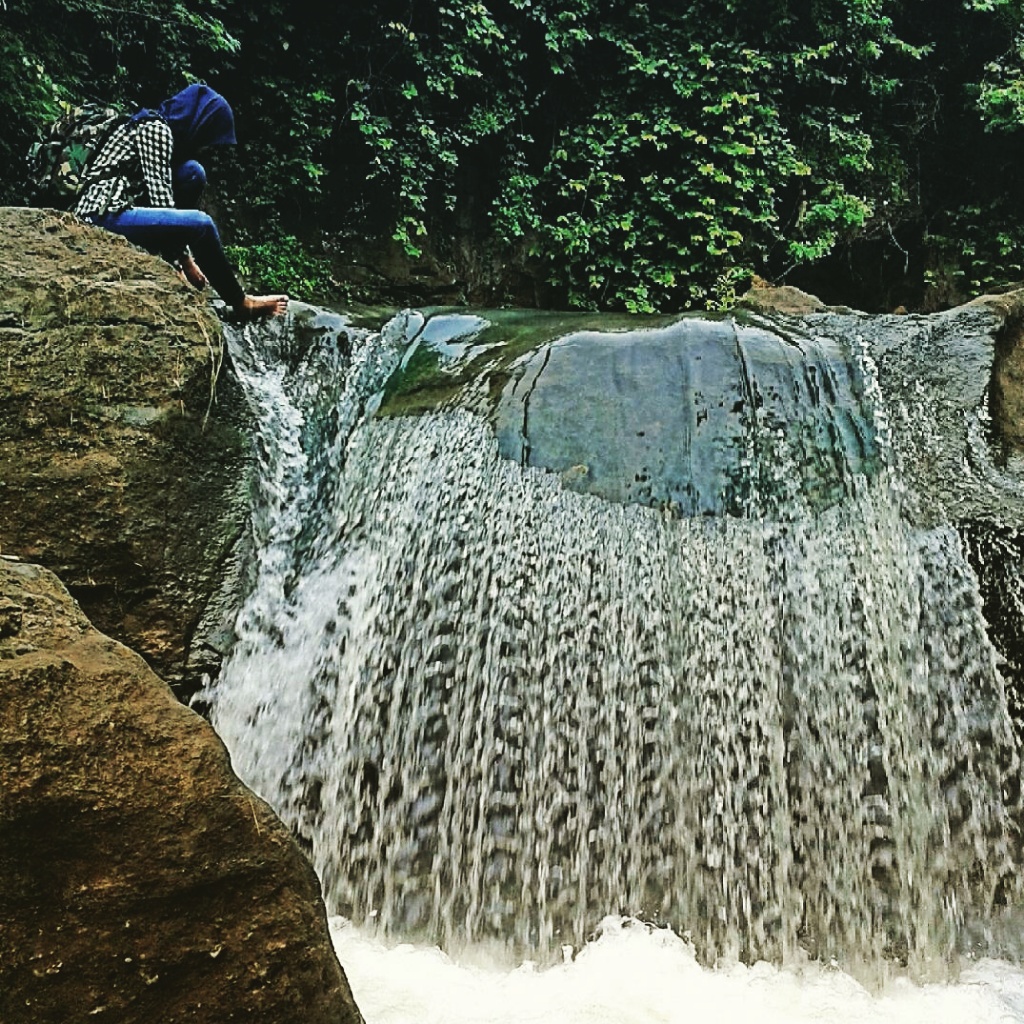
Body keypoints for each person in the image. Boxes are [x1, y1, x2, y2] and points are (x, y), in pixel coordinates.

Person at [74, 84, 288, 318]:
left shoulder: (158, 128)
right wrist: (184, 262)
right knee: (201, 225)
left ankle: (176, 260)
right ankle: (240, 302)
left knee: (193, 172)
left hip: (121, 205)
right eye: (209, 136)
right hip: (101, 213)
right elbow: (161, 201)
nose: (207, 145)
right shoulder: (156, 130)